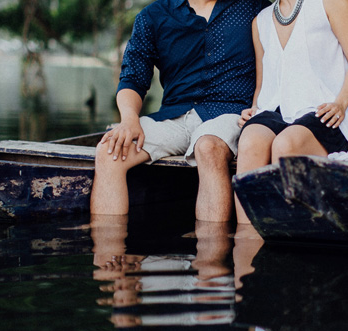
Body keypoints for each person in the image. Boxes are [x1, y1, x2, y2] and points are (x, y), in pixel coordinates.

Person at [90, 0, 270, 223]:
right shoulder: (153, 16)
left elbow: (279, 62)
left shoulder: (253, 8)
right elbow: (132, 79)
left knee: (208, 147)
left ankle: (212, 245)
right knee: (109, 151)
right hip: (175, 115)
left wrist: (260, 108)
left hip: (231, 112)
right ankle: (108, 245)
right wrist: (128, 119)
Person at [235, 0, 348, 224]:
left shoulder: (332, 3)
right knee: (250, 142)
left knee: (285, 145)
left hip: (325, 110)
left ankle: (287, 232)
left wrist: (341, 103)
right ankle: (246, 234)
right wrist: (254, 109)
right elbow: (263, 83)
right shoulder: (260, 21)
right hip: (276, 110)